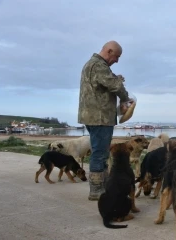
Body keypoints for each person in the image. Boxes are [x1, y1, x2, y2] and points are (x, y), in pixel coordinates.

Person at [78, 40, 132, 201]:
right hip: (100, 117)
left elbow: (107, 83)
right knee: (100, 153)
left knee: (99, 151)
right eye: (117, 56)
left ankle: (104, 185)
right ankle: (96, 189)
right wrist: (125, 99)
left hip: (93, 116)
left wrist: (116, 79)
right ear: (109, 51)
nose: (117, 60)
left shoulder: (94, 65)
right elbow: (115, 87)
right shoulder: (99, 66)